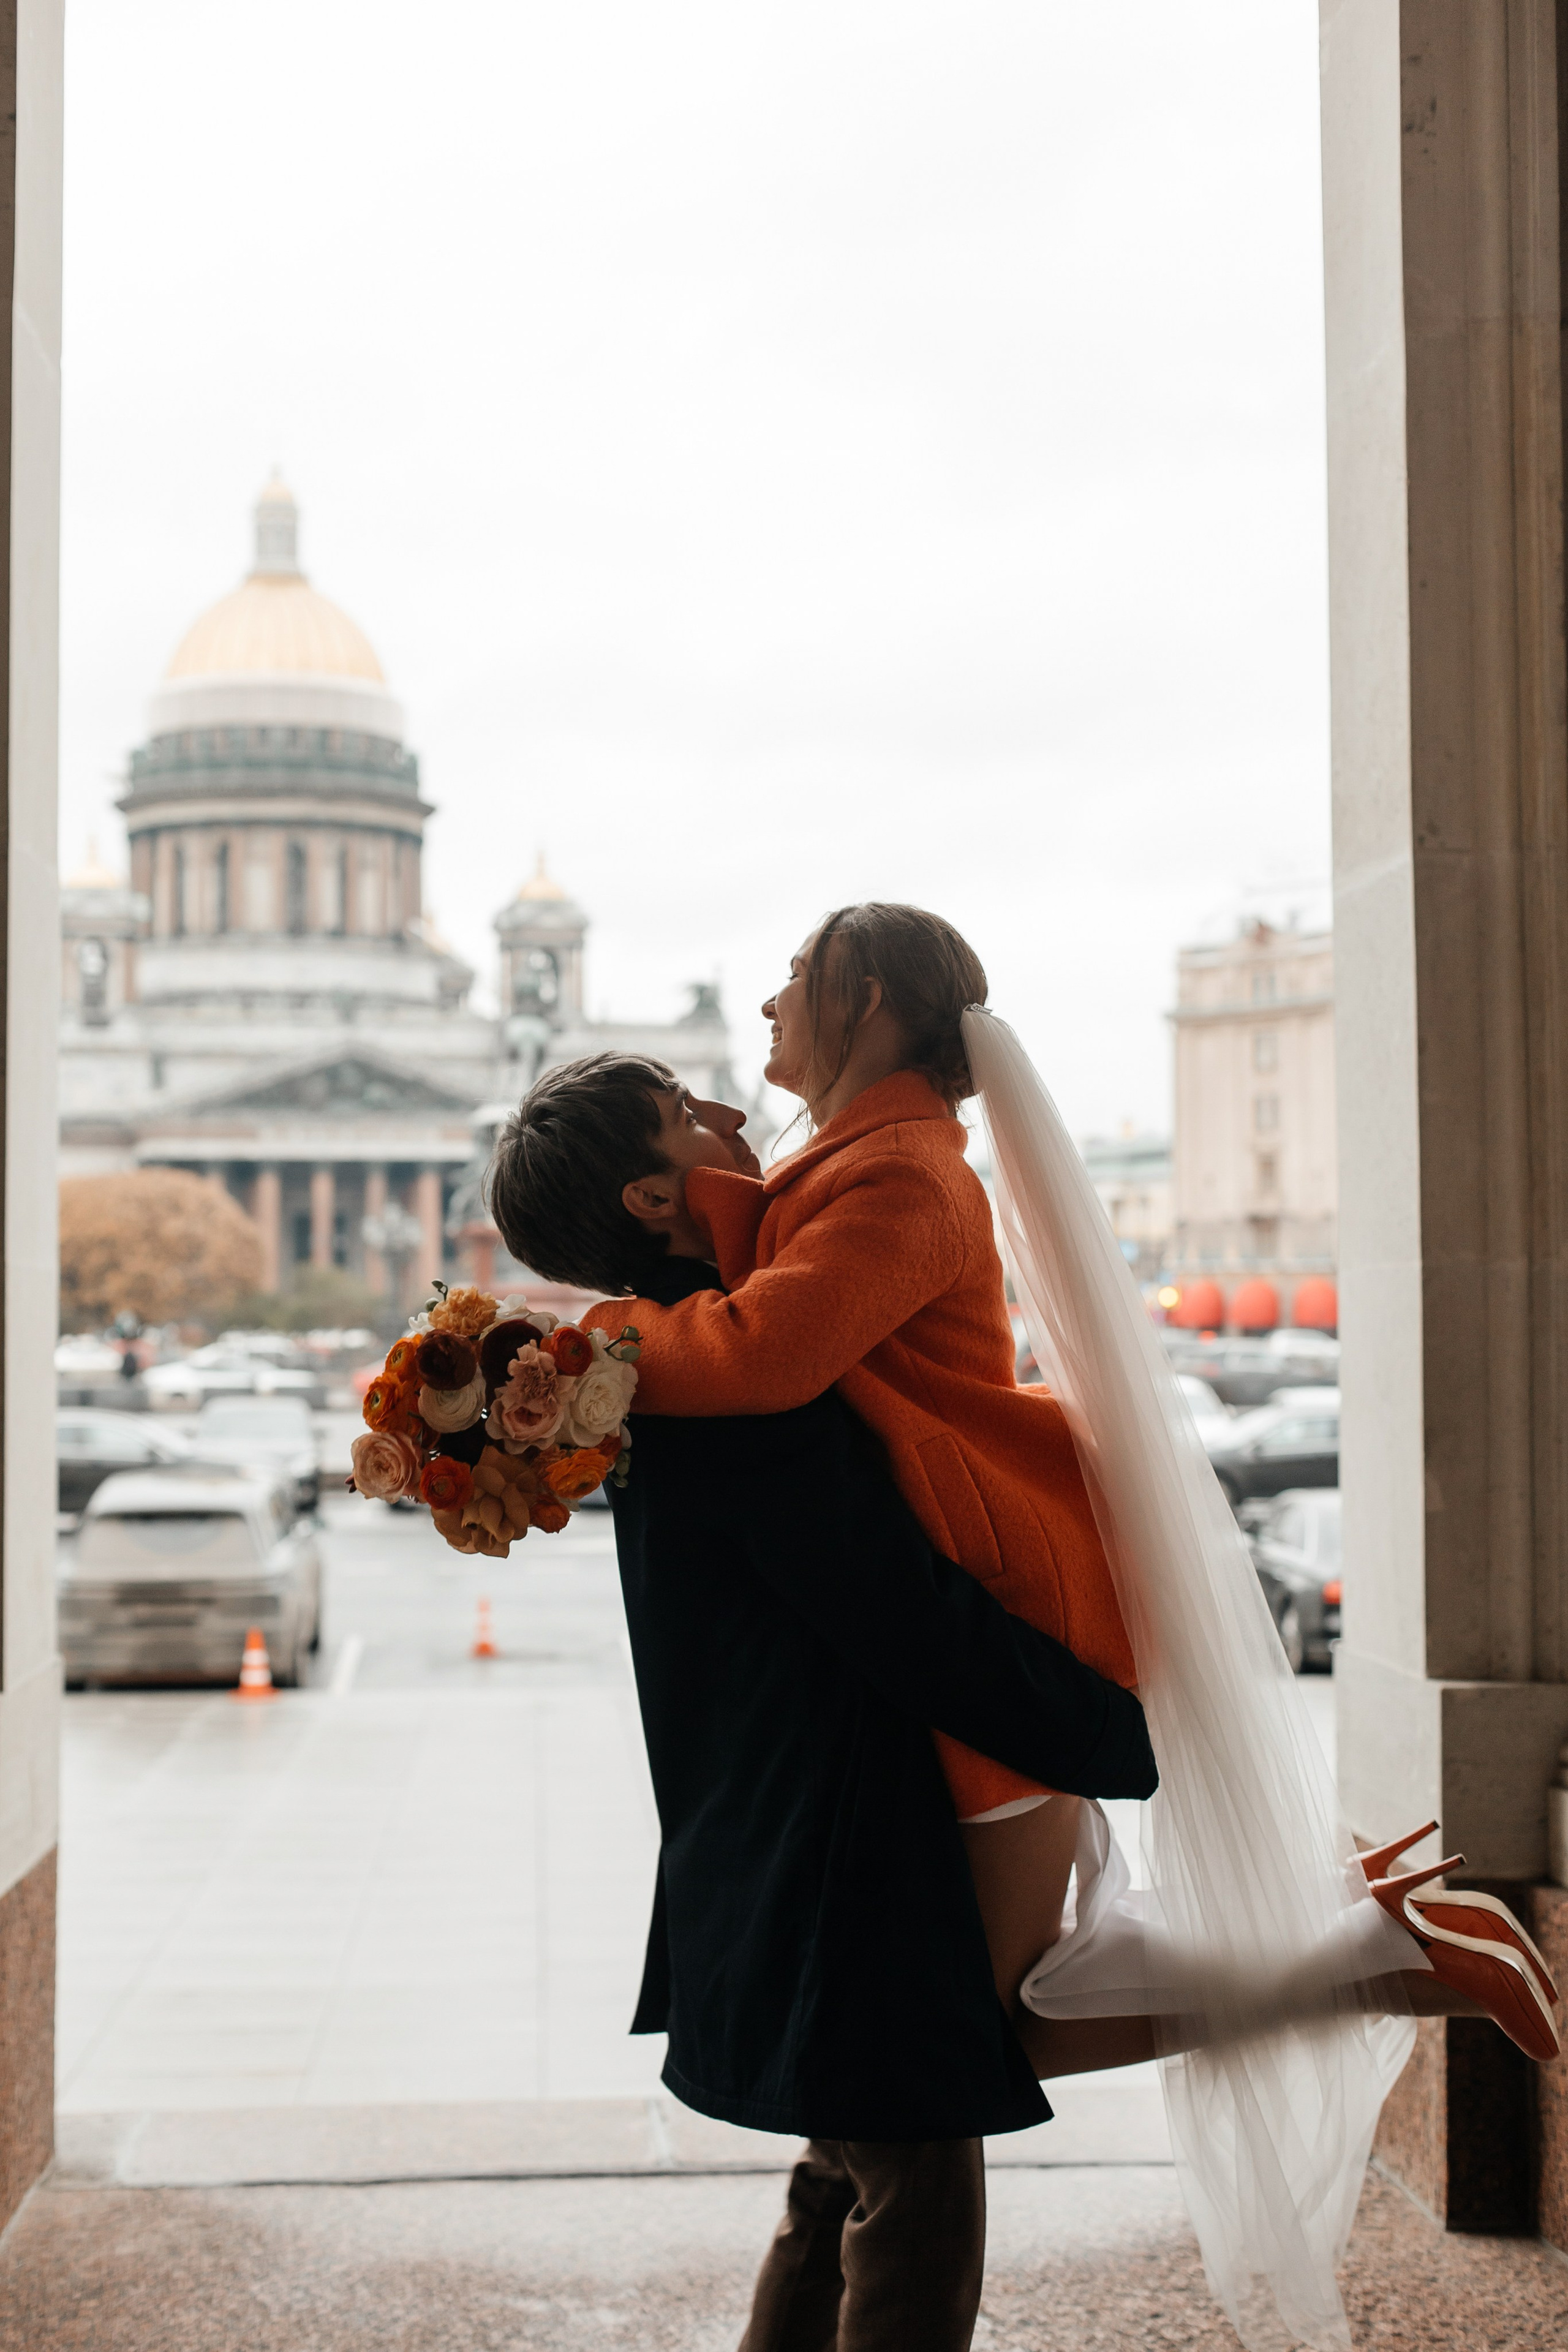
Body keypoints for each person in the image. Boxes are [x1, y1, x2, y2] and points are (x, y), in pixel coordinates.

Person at [491, 905, 1559, 2352]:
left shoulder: (863, 1198)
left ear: (869, 1001)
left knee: (932, 2083)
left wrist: (570, 1352)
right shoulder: (808, 1205)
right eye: (685, 1110)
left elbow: (803, 1430)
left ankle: (1380, 1955)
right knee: (898, 2101)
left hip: (933, 1698)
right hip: (878, 1750)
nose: (753, 1033)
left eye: (796, 980)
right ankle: (1375, 1952)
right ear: (650, 1192)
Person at [488, 1052, 1157, 2352]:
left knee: (850, 2158)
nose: (729, 1114)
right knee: (912, 2185)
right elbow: (893, 1608)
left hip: (780, 1821)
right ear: (652, 1199)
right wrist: (1096, 1729)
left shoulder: (661, 1364)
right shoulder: (725, 1376)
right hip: (835, 1825)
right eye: (685, 1115)